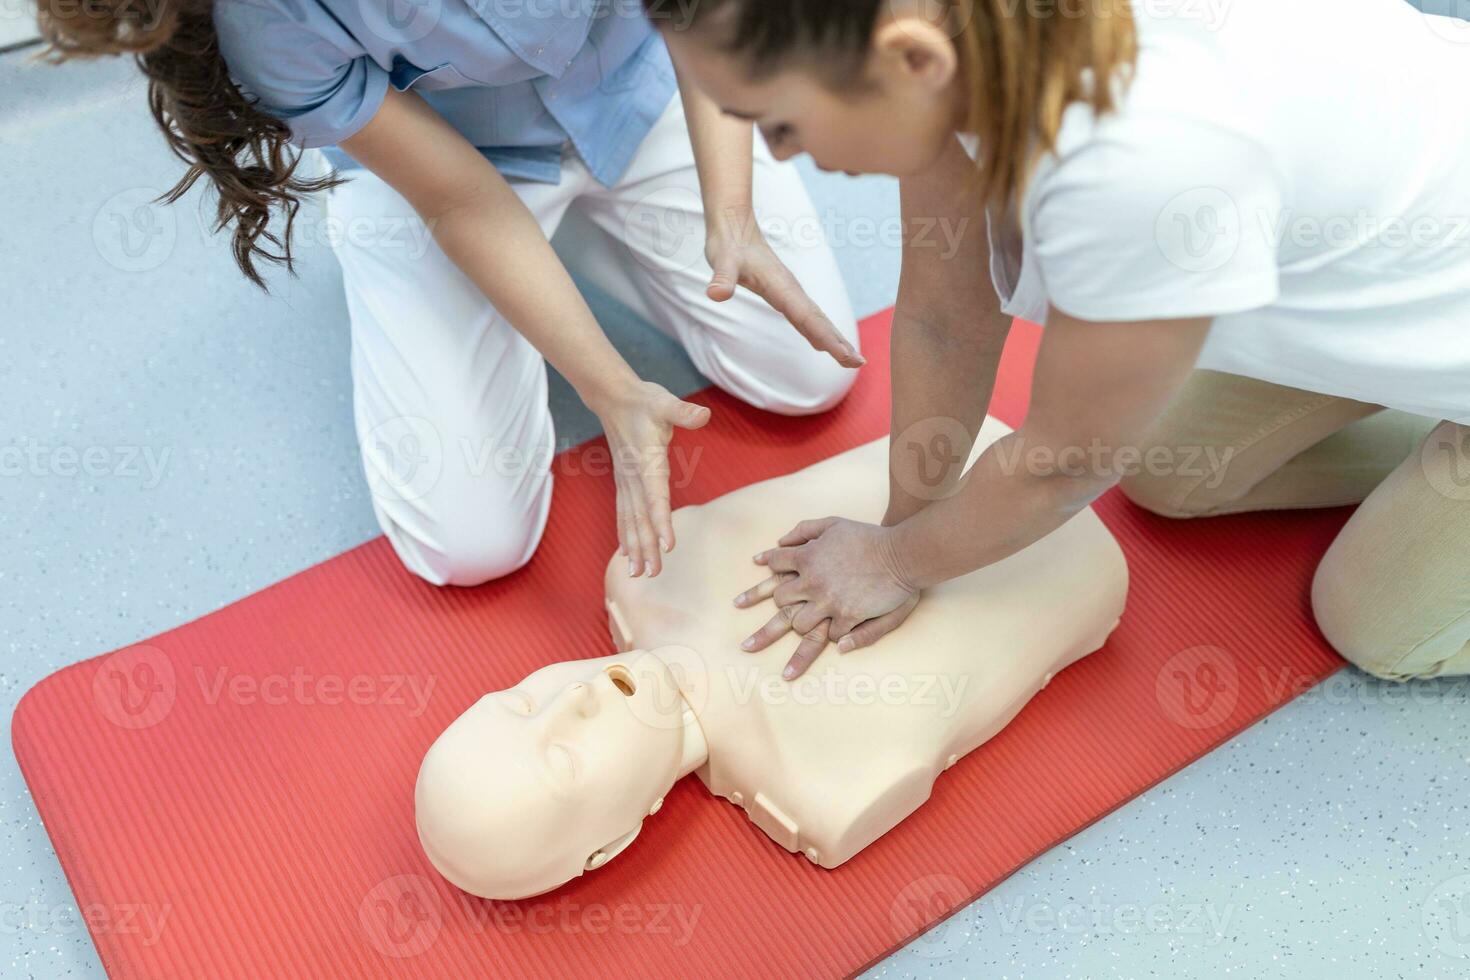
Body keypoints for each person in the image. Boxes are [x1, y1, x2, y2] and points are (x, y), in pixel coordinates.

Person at [648, 0, 1470, 681]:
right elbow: (946, 316)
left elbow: (1065, 464)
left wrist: (898, 564)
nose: (790, 156)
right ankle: (1410, 408)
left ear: (907, 62)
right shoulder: (958, 40)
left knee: (1371, 624)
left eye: (783, 126)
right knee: (1169, 472)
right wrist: (901, 527)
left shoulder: (1137, 164)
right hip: (1405, 264)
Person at [38, 0, 863, 586]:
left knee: (811, 374)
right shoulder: (265, 19)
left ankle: (588, 241)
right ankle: (526, 258)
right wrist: (609, 388)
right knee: (469, 546)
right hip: (450, 165)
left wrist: (733, 215)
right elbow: (461, 201)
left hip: (636, 89)